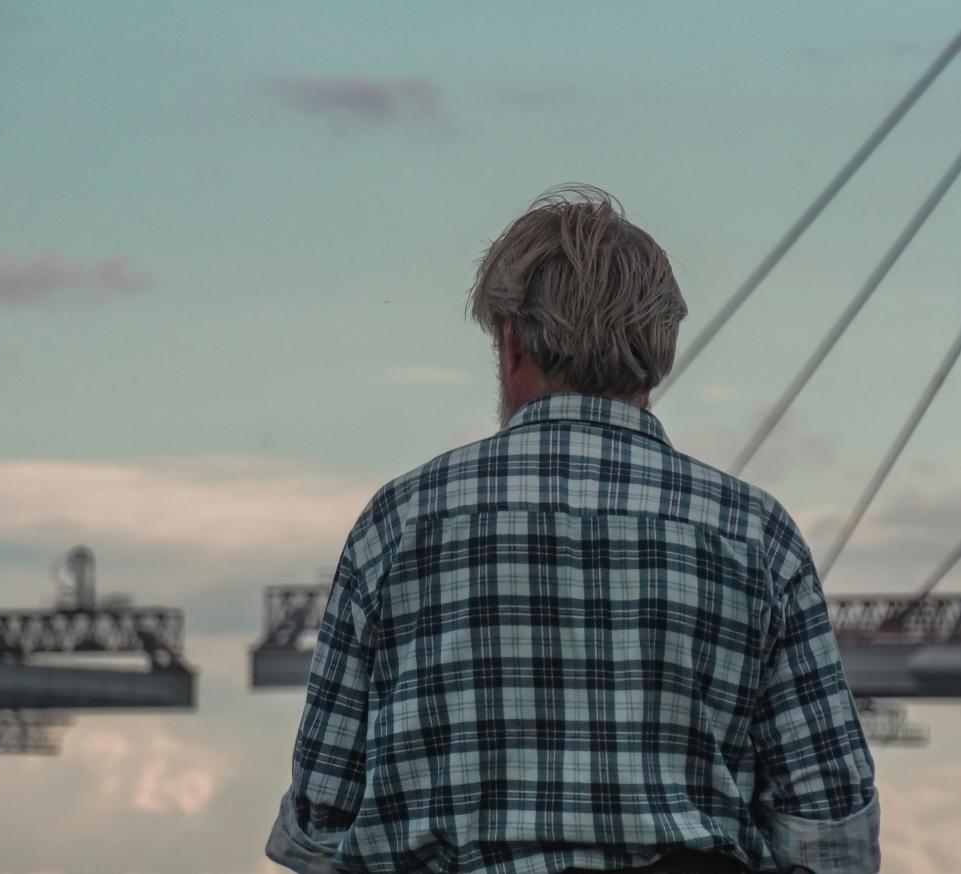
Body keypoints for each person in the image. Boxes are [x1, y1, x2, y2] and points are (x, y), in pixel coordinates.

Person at [266, 185, 879, 873]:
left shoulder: (401, 523)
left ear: (510, 343)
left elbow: (321, 819)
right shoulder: (754, 536)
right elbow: (829, 828)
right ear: (662, 350)